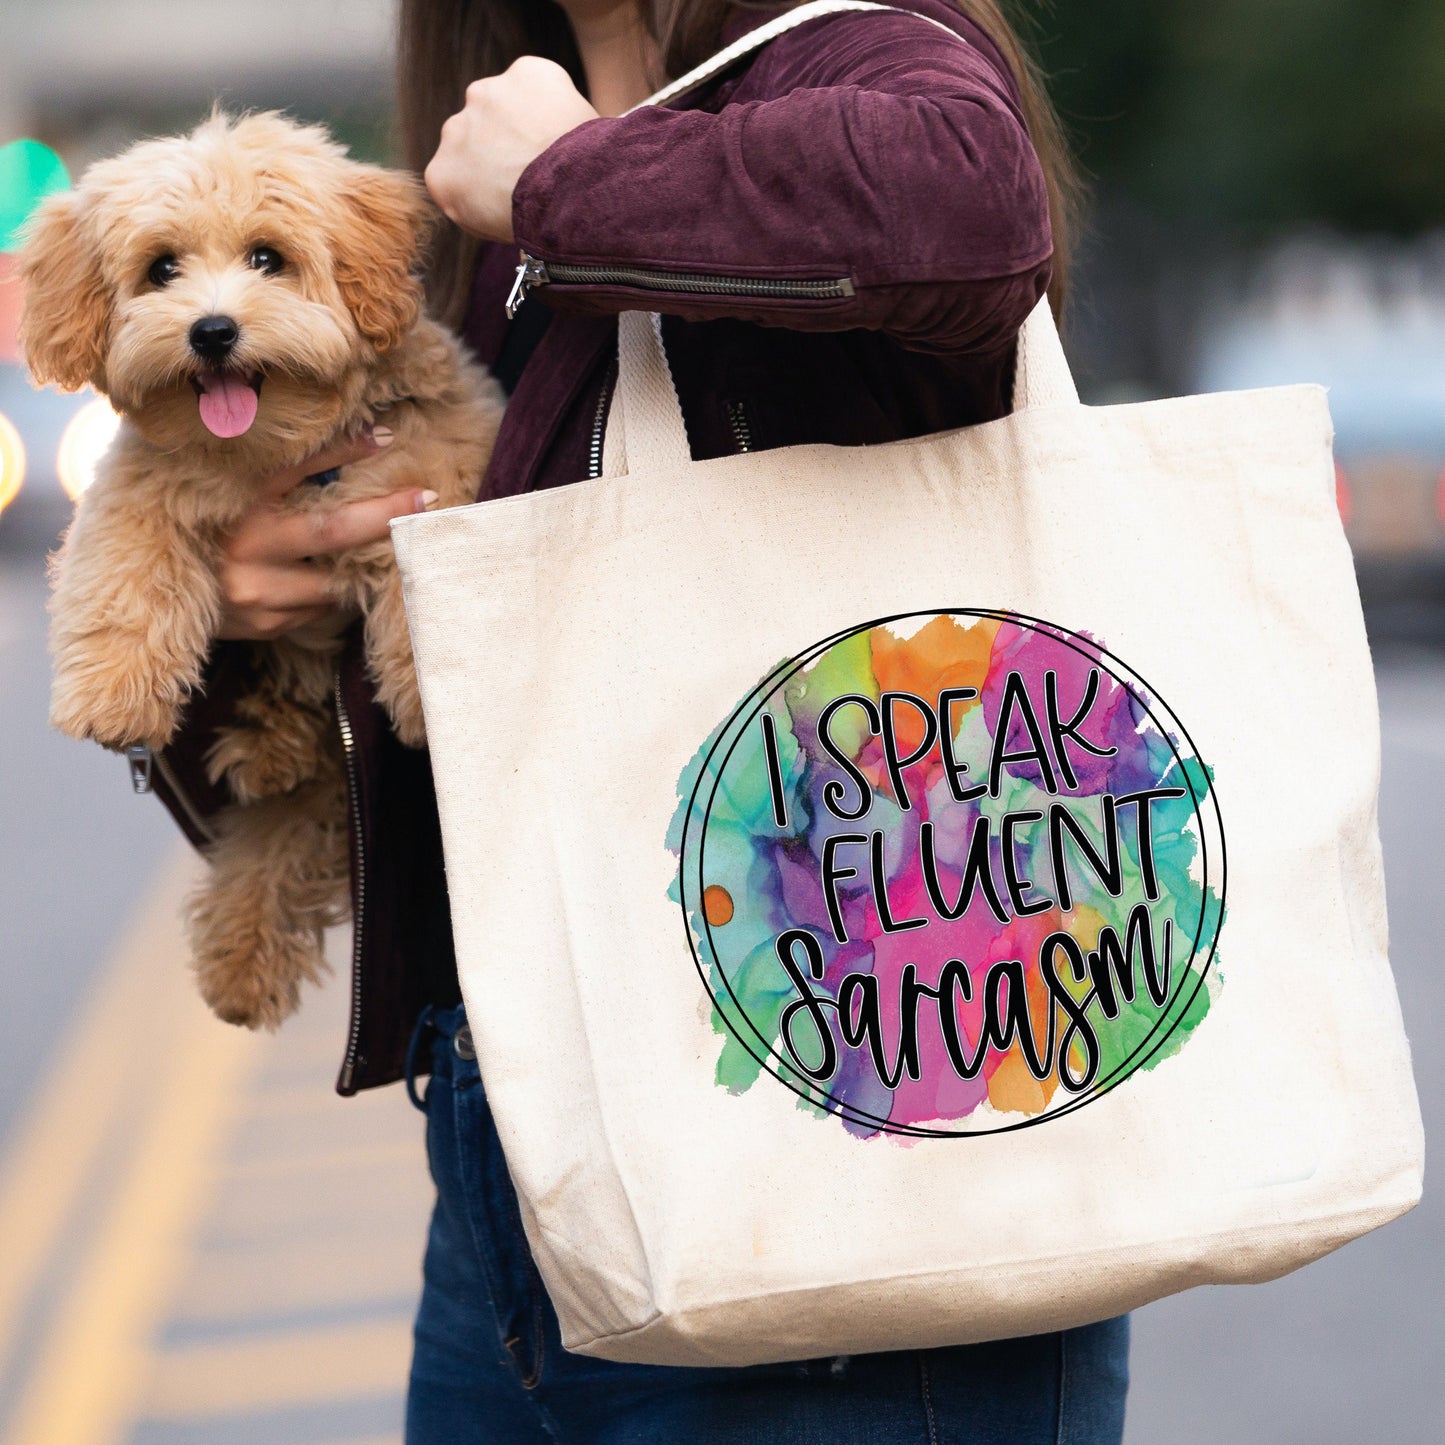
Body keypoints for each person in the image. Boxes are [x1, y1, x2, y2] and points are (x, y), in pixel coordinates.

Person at [150, 1, 1130, 1439]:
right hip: (511, 1176)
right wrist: (240, 623)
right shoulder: (480, 169)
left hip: (851, 1167)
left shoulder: (845, 44)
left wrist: (569, 182)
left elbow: (974, 207)